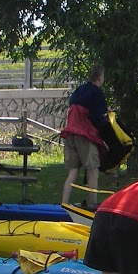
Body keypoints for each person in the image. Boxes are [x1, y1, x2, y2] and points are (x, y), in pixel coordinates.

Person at [60, 64, 108, 208]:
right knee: (93, 170)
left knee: (73, 172)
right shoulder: (97, 93)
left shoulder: (79, 90)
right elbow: (98, 118)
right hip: (84, 135)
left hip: (70, 134)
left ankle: (64, 203)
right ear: (100, 78)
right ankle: (92, 204)